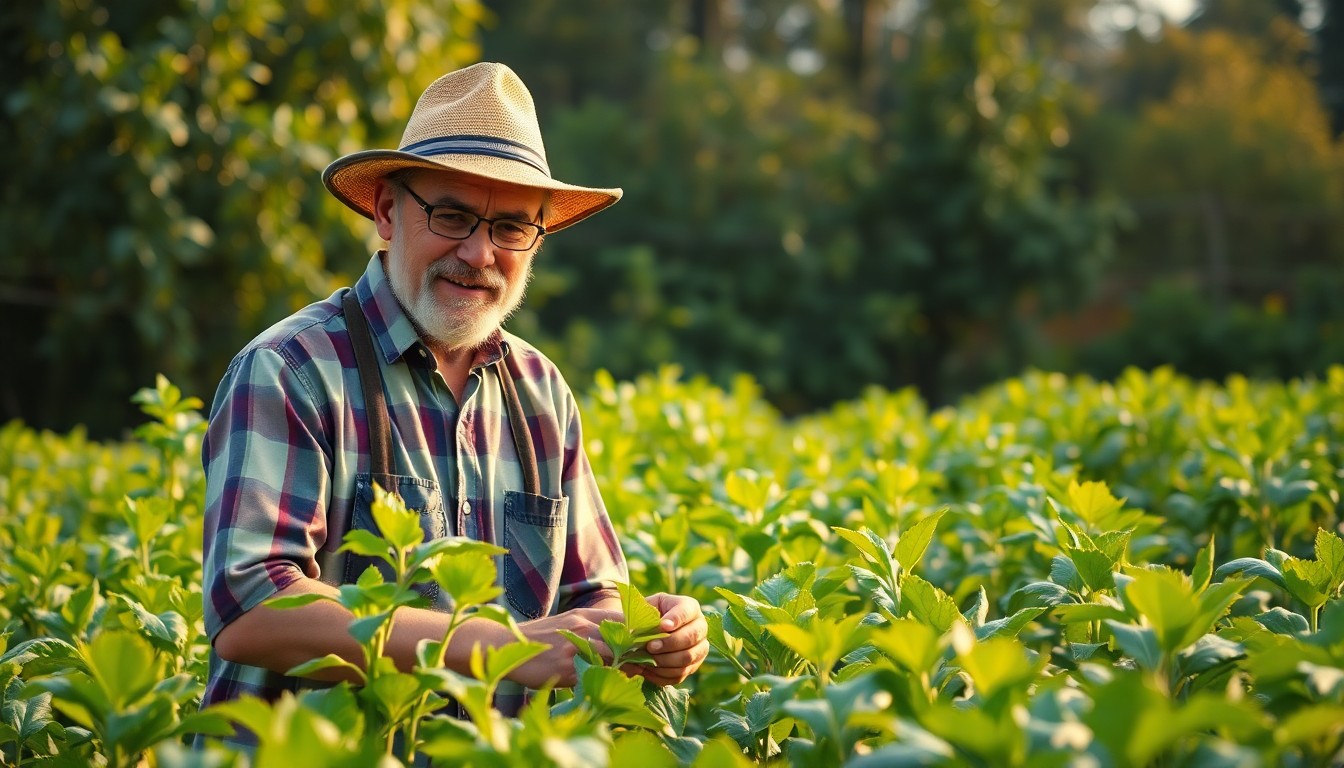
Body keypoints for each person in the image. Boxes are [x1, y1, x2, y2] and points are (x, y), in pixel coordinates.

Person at [199, 62, 708, 727]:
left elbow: (595, 595)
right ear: (387, 211)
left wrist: (655, 632)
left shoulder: (541, 394)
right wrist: (506, 649)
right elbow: (252, 610)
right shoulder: (292, 370)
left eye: (511, 229)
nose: (478, 254)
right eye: (452, 215)